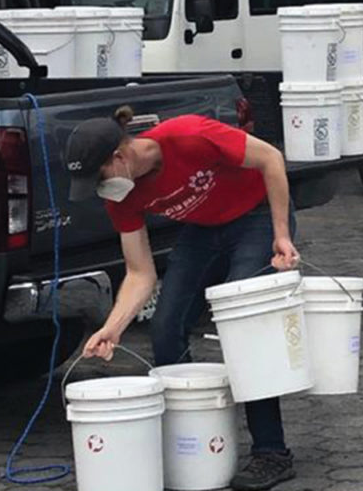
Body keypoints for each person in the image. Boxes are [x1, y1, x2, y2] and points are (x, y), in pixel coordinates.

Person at [65, 106, 300, 490]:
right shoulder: (120, 196)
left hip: (256, 216)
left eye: (99, 177)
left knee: (243, 325)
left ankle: (272, 453)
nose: (99, 189)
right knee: (165, 327)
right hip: (204, 229)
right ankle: (188, 444)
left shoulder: (188, 135)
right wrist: (113, 327)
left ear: (120, 157)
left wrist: (281, 234)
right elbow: (141, 273)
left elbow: (271, 159)